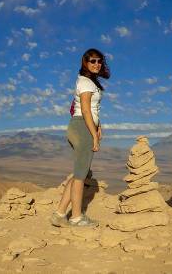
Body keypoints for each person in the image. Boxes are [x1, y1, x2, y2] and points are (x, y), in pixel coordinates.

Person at [50, 48, 110, 227]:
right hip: (82, 127)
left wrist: (99, 126)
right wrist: (94, 135)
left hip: (83, 126)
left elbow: (92, 110)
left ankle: (59, 214)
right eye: (92, 61)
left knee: (78, 173)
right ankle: (76, 218)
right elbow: (85, 110)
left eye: (99, 61)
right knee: (80, 177)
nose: (96, 64)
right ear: (85, 62)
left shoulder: (91, 82)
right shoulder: (85, 82)